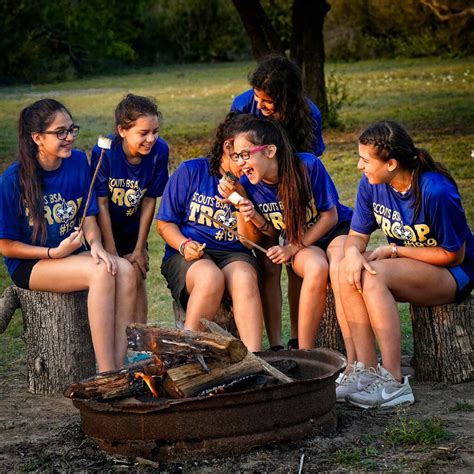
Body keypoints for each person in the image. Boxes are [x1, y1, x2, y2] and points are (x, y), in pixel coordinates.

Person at [336, 120, 473, 408]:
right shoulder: (372, 184)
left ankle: (394, 381)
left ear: (391, 163)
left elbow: (453, 255)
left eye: (365, 160)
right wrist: (351, 254)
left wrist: (395, 250)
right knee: (349, 268)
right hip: (415, 264)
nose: (360, 166)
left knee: (373, 275)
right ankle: (365, 370)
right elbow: (357, 236)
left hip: (453, 273)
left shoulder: (435, 190)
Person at [0, 99, 137, 373]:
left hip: (69, 255)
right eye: (60, 132)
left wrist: (96, 244)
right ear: (37, 138)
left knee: (124, 270)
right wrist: (53, 253)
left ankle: (120, 366)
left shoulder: (77, 162)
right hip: (32, 264)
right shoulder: (12, 180)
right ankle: (107, 373)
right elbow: (6, 246)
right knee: (100, 272)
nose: (69, 137)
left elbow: (87, 215)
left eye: (71, 129)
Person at [219, 114, 352, 349]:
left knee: (342, 269)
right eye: (237, 156)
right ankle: (304, 350)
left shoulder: (307, 166)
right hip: (302, 242)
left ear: (269, 151)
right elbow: (259, 236)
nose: (239, 162)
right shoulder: (249, 185)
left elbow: (330, 216)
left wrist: (292, 247)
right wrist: (245, 206)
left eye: (245, 154)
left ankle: (352, 356)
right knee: (317, 267)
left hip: (333, 231)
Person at [231, 55, 326, 349]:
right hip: (258, 188)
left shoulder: (309, 114)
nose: (259, 105)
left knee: (295, 260)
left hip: (293, 192)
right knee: (269, 263)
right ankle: (274, 343)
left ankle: (298, 339)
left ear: (287, 98)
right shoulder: (243, 104)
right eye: (257, 97)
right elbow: (234, 148)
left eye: (268, 101)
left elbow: (309, 163)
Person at [155, 114, 263, 352]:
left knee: (244, 278)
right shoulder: (192, 171)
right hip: (189, 252)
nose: (248, 161)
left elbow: (248, 243)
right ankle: (187, 352)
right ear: (227, 146)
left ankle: (255, 359)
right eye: (244, 154)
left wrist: (240, 202)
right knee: (209, 278)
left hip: (233, 253)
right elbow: (164, 224)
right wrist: (183, 245)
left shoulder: (251, 181)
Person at [91, 93, 169, 323]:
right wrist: (111, 248)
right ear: (122, 131)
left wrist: (139, 248)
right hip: (104, 226)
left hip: (133, 227)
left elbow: (149, 200)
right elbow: (101, 202)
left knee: (136, 273)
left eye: (154, 131)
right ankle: (113, 340)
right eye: (143, 133)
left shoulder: (160, 151)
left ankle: (140, 343)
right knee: (109, 277)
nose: (151, 139)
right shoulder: (105, 150)